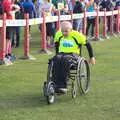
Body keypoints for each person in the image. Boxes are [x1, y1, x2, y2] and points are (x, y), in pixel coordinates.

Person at [52, 21, 96, 93]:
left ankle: (62, 86)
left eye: (66, 31)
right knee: (56, 59)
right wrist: (57, 54)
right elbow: (57, 44)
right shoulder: (58, 34)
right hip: (61, 53)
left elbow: (88, 44)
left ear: (71, 30)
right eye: (62, 31)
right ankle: (54, 83)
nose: (64, 33)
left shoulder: (77, 35)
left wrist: (92, 57)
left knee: (65, 60)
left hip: (73, 54)